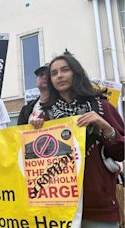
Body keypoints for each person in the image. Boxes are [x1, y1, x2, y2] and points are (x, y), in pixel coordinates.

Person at [31, 53, 124, 227]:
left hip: (98, 206)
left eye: (65, 70)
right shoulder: (45, 114)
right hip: (58, 207)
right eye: (54, 73)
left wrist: (104, 125)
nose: (59, 76)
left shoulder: (101, 106)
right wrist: (35, 130)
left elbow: (120, 152)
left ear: (76, 73)